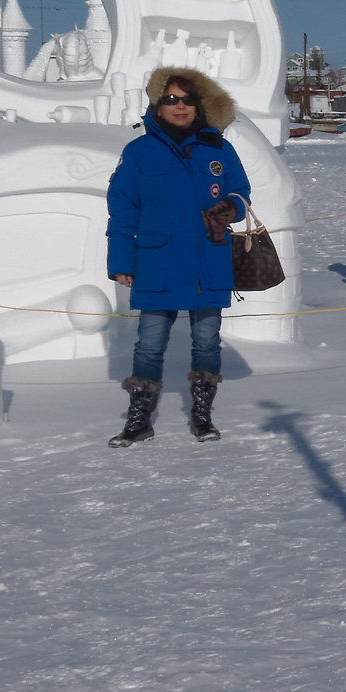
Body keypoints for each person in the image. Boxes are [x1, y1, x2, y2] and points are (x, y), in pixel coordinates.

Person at [105, 68, 251, 446]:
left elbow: (240, 190)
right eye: (171, 99)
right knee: (149, 344)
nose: (180, 106)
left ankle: (202, 416)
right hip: (158, 262)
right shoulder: (138, 152)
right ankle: (139, 419)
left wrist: (230, 208)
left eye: (187, 99)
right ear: (157, 104)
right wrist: (122, 260)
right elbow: (122, 208)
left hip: (208, 259)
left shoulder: (218, 148)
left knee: (206, 342)